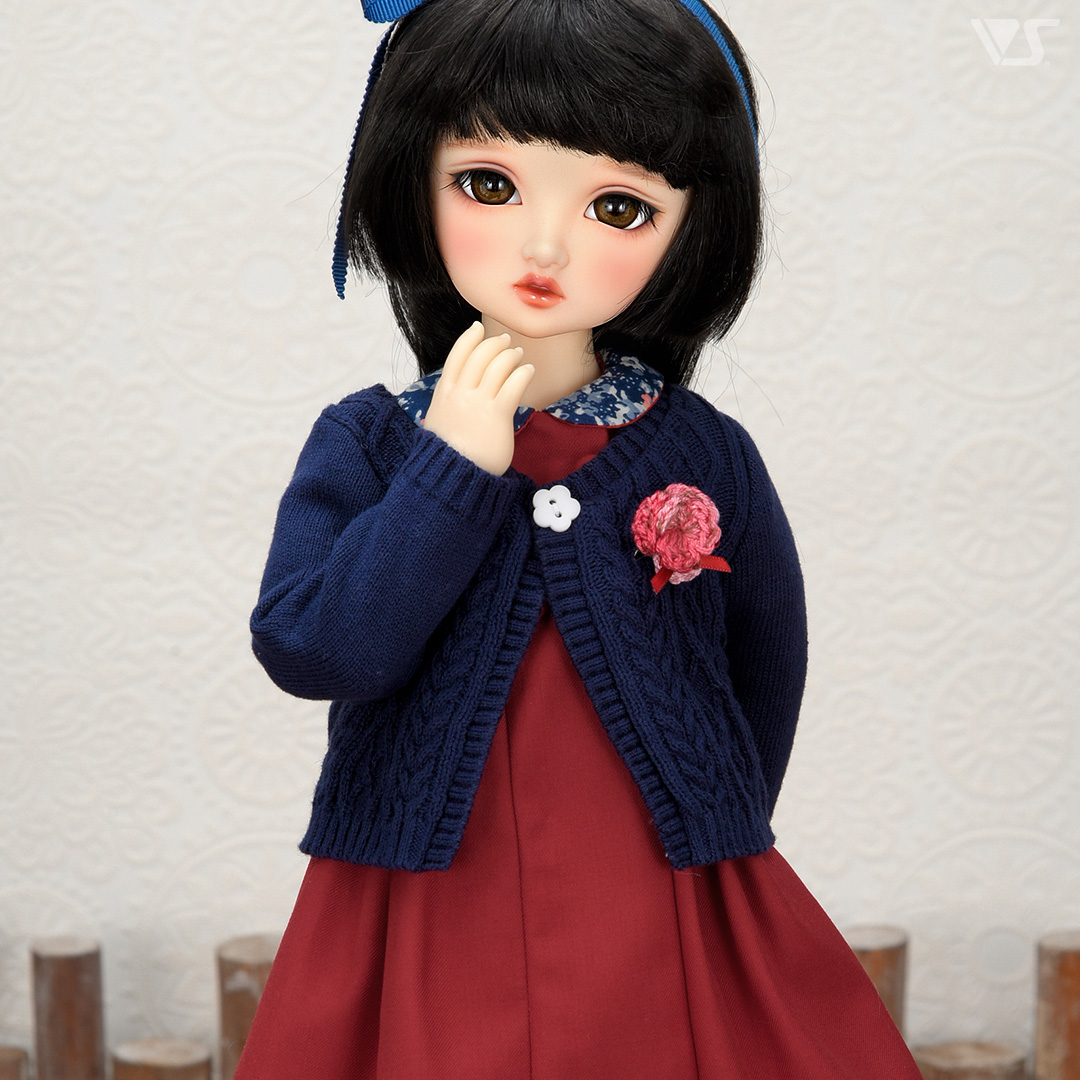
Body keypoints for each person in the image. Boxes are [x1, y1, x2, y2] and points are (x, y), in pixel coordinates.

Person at [238, 0, 924, 1076]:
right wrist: (451, 471)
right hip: (423, 891)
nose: (546, 246)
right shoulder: (372, 443)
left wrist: (710, 825)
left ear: (693, 226)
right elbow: (316, 650)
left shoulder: (702, 451)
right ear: (410, 179)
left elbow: (766, 667)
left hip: (657, 881)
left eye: (618, 206)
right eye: (488, 185)